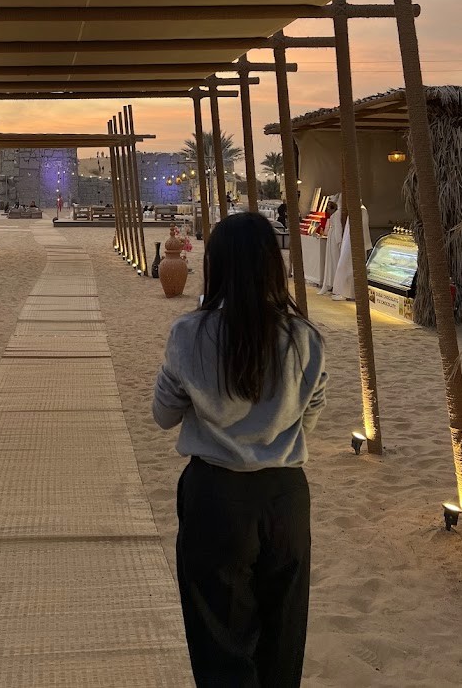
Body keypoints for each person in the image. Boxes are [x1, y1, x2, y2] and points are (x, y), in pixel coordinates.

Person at [152, 212, 327, 688]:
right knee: (283, 637)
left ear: (217, 266)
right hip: (285, 496)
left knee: (220, 642)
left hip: (216, 495)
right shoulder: (304, 338)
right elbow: (308, 418)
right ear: (274, 266)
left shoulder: (190, 334)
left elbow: (163, 415)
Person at [331, 203, 373, 301]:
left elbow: (363, 228)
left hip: (354, 243)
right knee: (344, 266)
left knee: (349, 268)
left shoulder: (362, 210)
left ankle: (348, 293)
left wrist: (362, 244)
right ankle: (344, 291)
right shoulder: (356, 209)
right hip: (349, 241)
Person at [317, 197, 342, 296]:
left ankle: (334, 285)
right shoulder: (335, 214)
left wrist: (338, 241)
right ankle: (329, 284)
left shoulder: (336, 215)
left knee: (334, 261)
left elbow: (338, 228)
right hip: (332, 238)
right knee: (330, 261)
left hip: (334, 240)